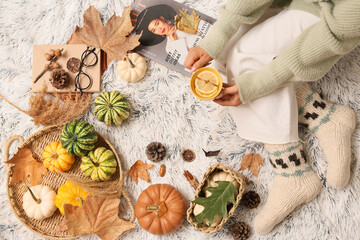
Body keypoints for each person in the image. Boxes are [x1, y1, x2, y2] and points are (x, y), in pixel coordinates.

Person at [184, 0, 359, 235]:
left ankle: (292, 171)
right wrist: (216, 37)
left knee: (245, 63)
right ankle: (321, 114)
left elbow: (332, 35)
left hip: (329, 17)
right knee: (222, 54)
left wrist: (256, 84)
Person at [135, 4, 209, 66]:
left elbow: (209, 30)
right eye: (154, 30)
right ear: (154, 33)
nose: (159, 29)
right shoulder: (169, 47)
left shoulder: (184, 21)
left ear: (162, 18)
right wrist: (174, 41)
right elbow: (187, 63)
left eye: (157, 23)